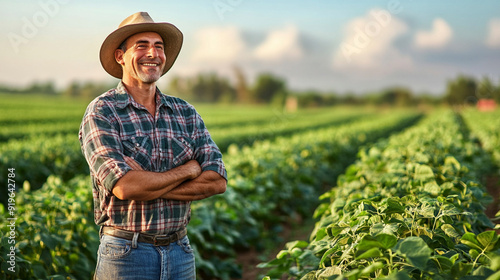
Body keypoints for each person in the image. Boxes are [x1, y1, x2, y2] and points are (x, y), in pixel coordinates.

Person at [79, 12, 227, 280]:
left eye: (159, 46)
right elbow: (125, 186)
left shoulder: (185, 112)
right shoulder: (103, 111)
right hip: (126, 254)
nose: (153, 53)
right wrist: (187, 170)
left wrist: (149, 185)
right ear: (120, 56)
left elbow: (217, 181)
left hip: (180, 251)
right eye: (142, 46)